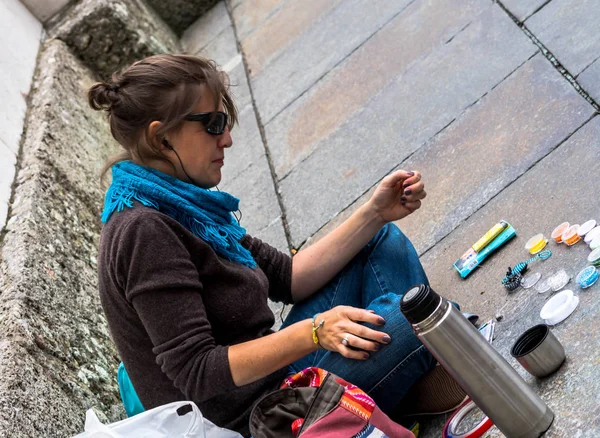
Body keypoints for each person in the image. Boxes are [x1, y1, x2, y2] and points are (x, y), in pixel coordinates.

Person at [91, 54, 465, 438]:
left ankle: (388, 391)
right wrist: (315, 332)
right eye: (213, 124)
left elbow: (288, 277)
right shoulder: (143, 232)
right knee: (413, 318)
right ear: (160, 137)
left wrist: (374, 213)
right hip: (266, 417)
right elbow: (197, 371)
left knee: (379, 242)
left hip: (276, 377)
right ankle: (398, 383)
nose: (227, 138)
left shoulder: (180, 203)